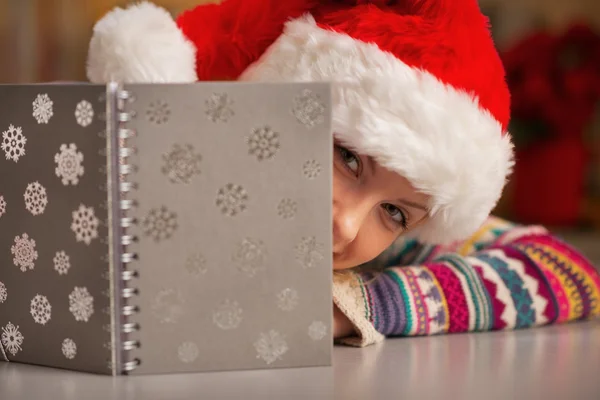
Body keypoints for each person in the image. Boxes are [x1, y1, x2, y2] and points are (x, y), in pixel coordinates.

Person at [87, 0, 600, 346]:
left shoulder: (394, 252)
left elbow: (569, 272)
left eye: (394, 212)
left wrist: (359, 303)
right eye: (347, 158)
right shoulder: (150, 197)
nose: (347, 227)